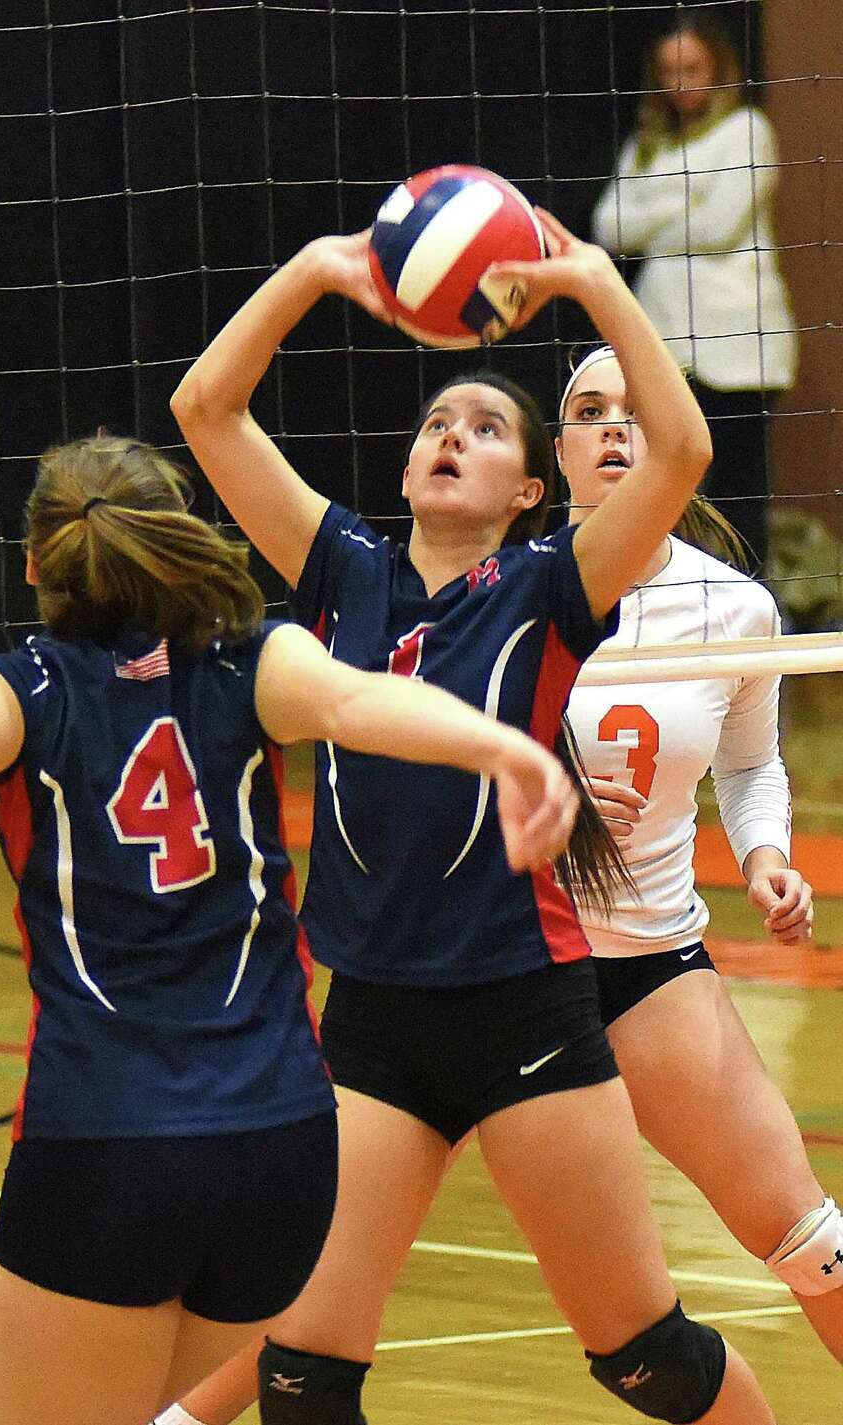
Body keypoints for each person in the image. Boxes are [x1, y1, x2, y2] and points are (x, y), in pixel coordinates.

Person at [0, 433, 581, 1425]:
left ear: (35, 565)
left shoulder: (16, 689)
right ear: (175, 539)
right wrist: (507, 751)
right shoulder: (260, 661)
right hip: (281, 1150)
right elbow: (366, 699)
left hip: (106, 1145)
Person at [166, 210, 779, 1423]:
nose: (454, 437)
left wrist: (599, 281)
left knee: (643, 1356)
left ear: (528, 490)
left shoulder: (551, 590)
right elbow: (205, 412)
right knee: (299, 1377)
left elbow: (683, 453)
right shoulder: (343, 571)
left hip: (525, 1012)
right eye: (436, 425)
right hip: (374, 1021)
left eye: (487, 427)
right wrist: (311, 272)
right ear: (404, 472)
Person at [557, 344, 842, 1365]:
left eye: (637, 410)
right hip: (499, 975)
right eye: (589, 411)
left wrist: (766, 856)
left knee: (814, 1243)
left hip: (649, 968)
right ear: (561, 453)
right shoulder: (498, 595)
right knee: (317, 1249)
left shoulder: (734, 607)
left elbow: (752, 764)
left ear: (677, 437)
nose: (615, 429)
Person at [590, 13, 797, 574]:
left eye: (693, 68)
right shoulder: (646, 144)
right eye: (669, 71)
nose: (681, 82)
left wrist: (653, 209)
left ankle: (754, 613)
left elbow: (718, 228)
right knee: (676, 497)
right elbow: (609, 227)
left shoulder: (749, 130)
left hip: (738, 351)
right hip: (668, 347)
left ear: (719, 68)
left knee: (740, 501)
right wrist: (691, 198)